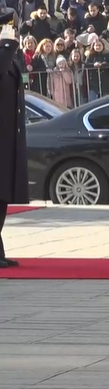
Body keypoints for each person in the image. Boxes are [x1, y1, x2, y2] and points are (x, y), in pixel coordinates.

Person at [0, 21, 26, 269]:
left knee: (2, 198)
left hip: (6, 139)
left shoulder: (9, 59)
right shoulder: (3, 55)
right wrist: (6, 46)